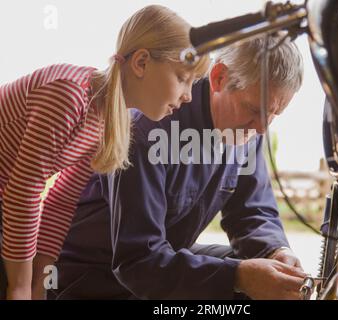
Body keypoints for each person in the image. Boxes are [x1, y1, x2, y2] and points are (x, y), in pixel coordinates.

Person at [49, 36, 306, 300]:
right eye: (253, 109)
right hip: (98, 278)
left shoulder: (248, 129)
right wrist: (238, 276)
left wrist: (275, 251)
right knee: (240, 281)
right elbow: (137, 261)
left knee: (272, 281)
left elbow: (252, 210)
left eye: (275, 114)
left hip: (164, 262)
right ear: (219, 77)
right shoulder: (149, 126)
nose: (262, 128)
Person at [0, 5, 209, 300]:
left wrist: (38, 286)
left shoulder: (109, 123)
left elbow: (61, 201)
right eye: (182, 78)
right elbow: (24, 190)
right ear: (141, 63)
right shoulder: (69, 95)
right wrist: (19, 287)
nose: (188, 95)